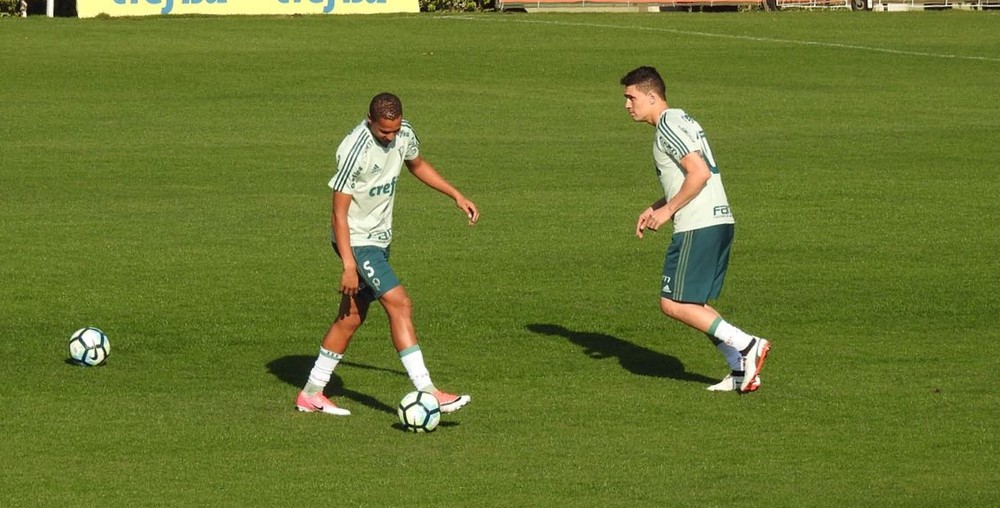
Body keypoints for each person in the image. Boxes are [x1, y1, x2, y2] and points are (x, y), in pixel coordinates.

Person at [295, 92, 479, 416]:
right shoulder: (354, 150)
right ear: (370, 120)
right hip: (357, 241)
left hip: (379, 240)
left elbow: (417, 164)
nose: (391, 137)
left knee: (351, 317)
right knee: (400, 303)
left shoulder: (404, 132)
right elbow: (338, 214)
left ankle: (311, 394)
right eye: (384, 131)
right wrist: (348, 265)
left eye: (394, 130)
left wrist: (455, 195)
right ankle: (429, 390)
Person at [620, 66, 771, 394]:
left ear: (652, 96)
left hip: (698, 224)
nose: (627, 105)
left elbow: (698, 173)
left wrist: (668, 211)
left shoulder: (666, 126)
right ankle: (739, 368)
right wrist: (657, 205)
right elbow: (691, 175)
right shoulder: (683, 119)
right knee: (694, 304)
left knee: (673, 303)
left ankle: (748, 345)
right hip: (718, 221)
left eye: (631, 97)